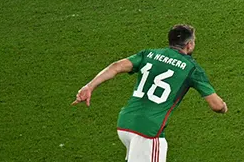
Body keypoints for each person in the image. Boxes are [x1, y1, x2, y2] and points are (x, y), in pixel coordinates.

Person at [73, 24, 227, 162]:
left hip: (125, 123)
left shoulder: (148, 54)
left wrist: (89, 86)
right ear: (189, 44)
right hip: (147, 131)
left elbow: (117, 66)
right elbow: (216, 105)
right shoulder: (191, 68)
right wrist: (223, 107)